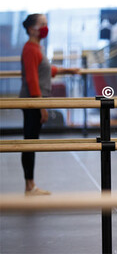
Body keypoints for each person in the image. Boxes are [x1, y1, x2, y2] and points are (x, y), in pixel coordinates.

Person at [20, 14, 79, 196]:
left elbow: (45, 69)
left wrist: (67, 70)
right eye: (42, 24)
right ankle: (30, 185)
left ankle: (30, 184)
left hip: (36, 101)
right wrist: (41, 106)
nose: (46, 27)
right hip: (33, 101)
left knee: (32, 142)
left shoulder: (36, 48)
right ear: (31, 29)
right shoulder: (30, 49)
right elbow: (32, 79)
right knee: (30, 143)